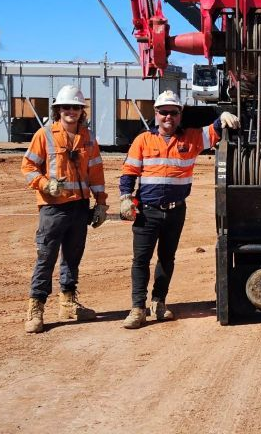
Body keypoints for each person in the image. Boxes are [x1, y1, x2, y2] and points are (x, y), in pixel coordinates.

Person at [119, 90, 239, 329]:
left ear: (180, 115)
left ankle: (159, 302)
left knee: (167, 258)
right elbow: (129, 172)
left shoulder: (190, 139)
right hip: (147, 211)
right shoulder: (143, 140)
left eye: (173, 113)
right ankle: (137, 308)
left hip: (175, 212)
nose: (168, 117)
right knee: (141, 260)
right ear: (156, 114)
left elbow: (212, 131)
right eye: (164, 112)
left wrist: (223, 115)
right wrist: (125, 198)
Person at [21, 84, 108, 334]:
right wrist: (45, 184)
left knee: (72, 257)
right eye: (66, 107)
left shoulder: (89, 138)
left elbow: (96, 173)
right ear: (58, 110)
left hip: (80, 207)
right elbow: (28, 167)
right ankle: (35, 308)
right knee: (46, 257)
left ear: (82, 111)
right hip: (53, 208)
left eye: (76, 107)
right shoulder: (45, 135)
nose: (71, 111)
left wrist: (100, 202)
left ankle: (68, 303)